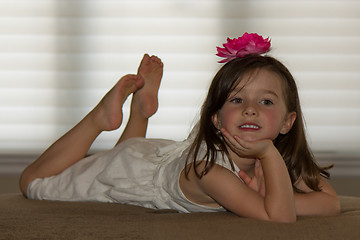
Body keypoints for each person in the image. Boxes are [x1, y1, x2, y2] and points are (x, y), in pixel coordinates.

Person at [20, 33, 340, 222]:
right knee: (32, 182)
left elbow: (331, 202)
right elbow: (279, 218)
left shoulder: (280, 159)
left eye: (266, 102)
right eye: (237, 100)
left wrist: (276, 190)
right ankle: (99, 119)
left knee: (126, 150)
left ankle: (140, 114)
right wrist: (269, 161)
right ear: (215, 118)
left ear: (288, 122)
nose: (251, 109)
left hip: (149, 155)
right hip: (130, 170)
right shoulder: (207, 172)